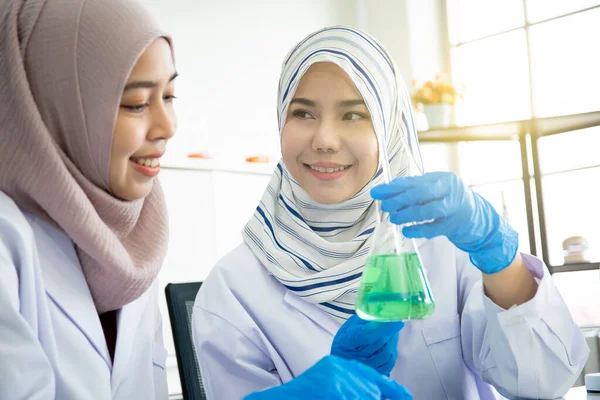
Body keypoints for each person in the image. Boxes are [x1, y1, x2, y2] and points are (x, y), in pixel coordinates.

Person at [0, 2, 411, 398]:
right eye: (137, 103)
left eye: (169, 97)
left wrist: (480, 258)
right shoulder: (11, 244)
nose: (169, 126)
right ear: (52, 106)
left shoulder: (128, 246)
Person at [192, 26, 589, 399]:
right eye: (303, 113)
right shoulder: (232, 290)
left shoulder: (447, 245)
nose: (325, 139)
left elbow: (544, 383)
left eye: (354, 114)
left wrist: (499, 258)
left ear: (391, 128)